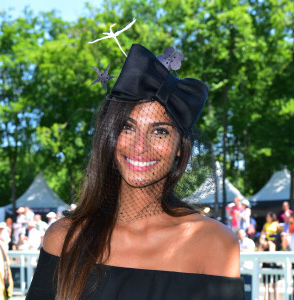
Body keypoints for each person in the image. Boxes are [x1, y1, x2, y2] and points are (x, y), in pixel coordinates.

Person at [26, 44, 244, 299]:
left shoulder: (214, 243)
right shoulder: (65, 238)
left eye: (160, 131)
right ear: (110, 135)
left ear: (179, 147)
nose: (140, 147)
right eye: (127, 127)